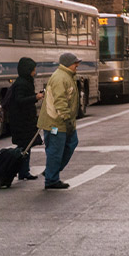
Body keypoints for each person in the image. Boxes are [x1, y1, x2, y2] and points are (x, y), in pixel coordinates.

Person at [37, 52, 81, 190]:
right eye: (75, 63)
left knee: (72, 143)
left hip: (62, 121)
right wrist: (67, 119)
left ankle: (51, 170)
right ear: (69, 64)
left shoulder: (67, 76)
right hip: (56, 122)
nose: (77, 65)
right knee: (55, 150)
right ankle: (51, 179)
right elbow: (60, 101)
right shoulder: (60, 78)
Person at [6, 57, 43, 181]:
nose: (34, 72)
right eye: (33, 70)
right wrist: (35, 97)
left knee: (26, 145)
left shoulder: (23, 81)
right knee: (24, 146)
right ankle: (21, 170)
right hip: (21, 121)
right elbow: (20, 100)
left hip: (24, 120)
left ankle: (23, 171)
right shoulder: (22, 83)